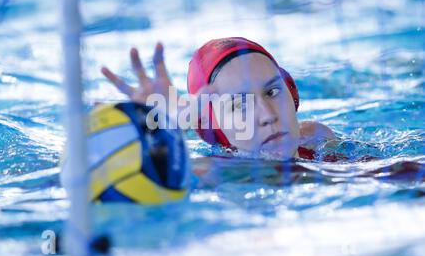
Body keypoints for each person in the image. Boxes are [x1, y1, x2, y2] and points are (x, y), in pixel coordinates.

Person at [101, 37, 338, 161]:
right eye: (239, 104)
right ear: (214, 129)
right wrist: (158, 128)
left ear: (292, 93)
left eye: (272, 92)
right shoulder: (213, 175)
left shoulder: (315, 139)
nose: (268, 115)